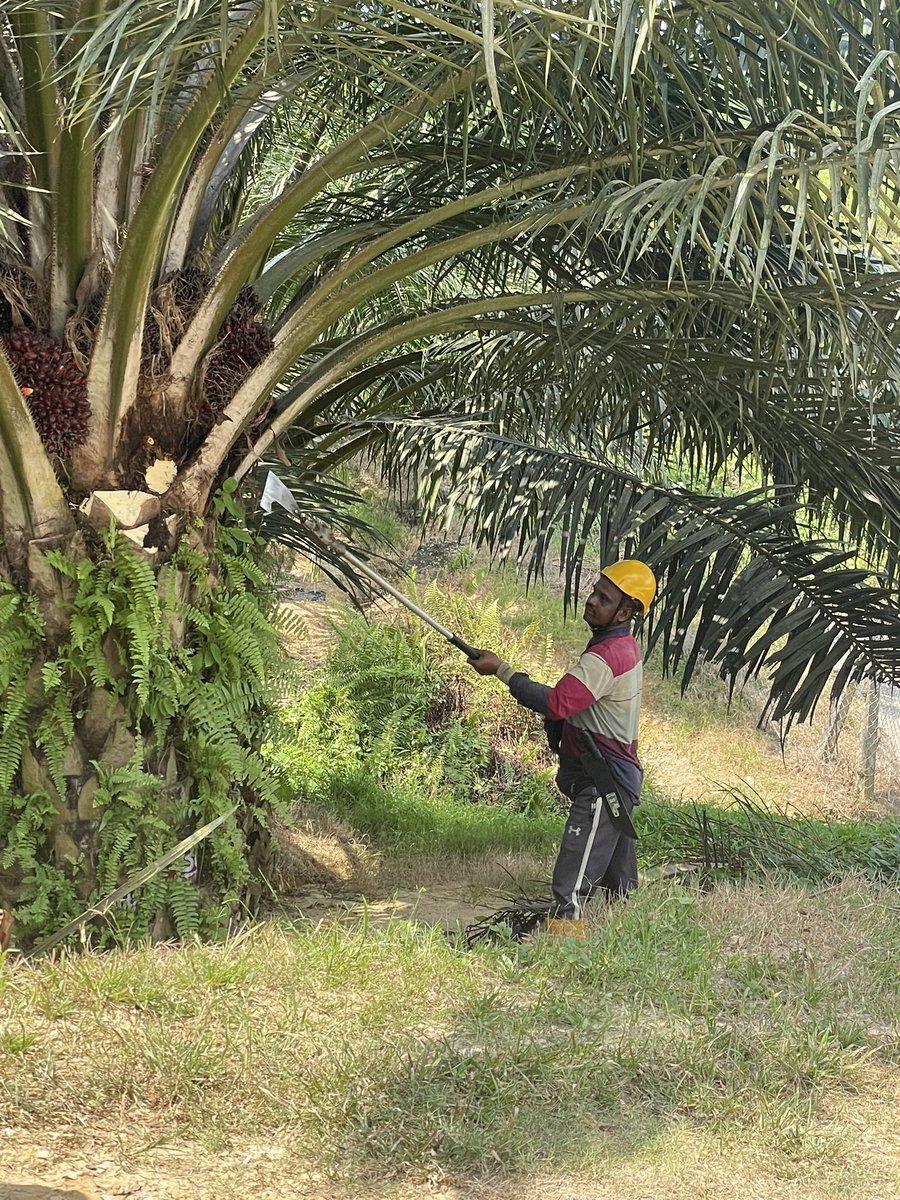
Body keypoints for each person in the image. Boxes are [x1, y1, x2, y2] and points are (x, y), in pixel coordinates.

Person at [469, 560, 656, 938]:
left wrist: (503, 670)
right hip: (614, 778)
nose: (592, 600)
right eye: (595, 591)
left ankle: (562, 951)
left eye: (604, 599)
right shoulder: (620, 646)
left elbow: (558, 703)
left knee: (572, 881)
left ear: (624, 613)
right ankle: (629, 940)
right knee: (620, 883)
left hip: (604, 782)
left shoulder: (607, 656)